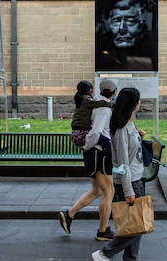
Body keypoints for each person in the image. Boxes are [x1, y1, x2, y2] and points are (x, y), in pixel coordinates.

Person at [92, 86, 146, 261]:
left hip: (136, 178)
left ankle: (131, 258)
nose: (140, 103)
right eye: (138, 100)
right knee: (138, 226)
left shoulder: (129, 125)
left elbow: (129, 154)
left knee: (136, 226)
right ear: (132, 104)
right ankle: (105, 253)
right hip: (130, 181)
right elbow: (122, 164)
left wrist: (139, 138)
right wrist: (128, 190)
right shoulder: (122, 130)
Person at [60, 79, 116, 241]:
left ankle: (69, 214)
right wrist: (86, 146)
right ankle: (102, 231)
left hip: (93, 151)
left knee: (97, 191)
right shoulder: (102, 108)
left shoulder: (94, 103)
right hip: (99, 153)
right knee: (109, 191)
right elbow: (96, 132)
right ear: (114, 92)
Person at [95, 0, 157, 72]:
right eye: (116, 21)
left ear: (142, 25)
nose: (122, 28)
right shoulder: (102, 58)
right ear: (108, 24)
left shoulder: (151, 53)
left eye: (130, 21)